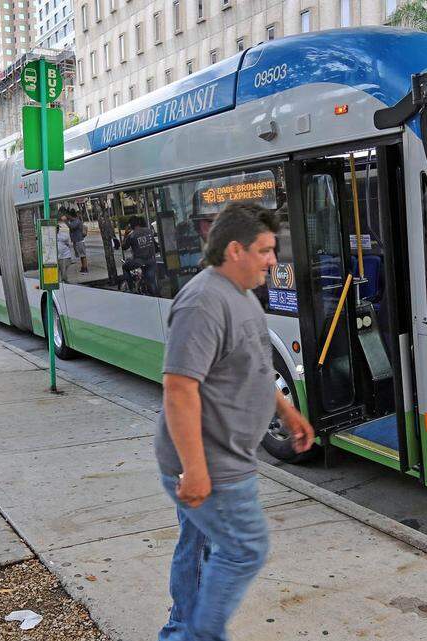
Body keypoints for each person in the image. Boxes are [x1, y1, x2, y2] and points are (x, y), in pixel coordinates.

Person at [155, 203, 314, 641]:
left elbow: (256, 366)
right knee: (245, 548)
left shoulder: (241, 295)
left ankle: (181, 629)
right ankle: (197, 635)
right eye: (265, 250)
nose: (273, 260)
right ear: (235, 250)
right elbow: (179, 388)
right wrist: (196, 469)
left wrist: (287, 412)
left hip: (224, 456)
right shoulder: (203, 302)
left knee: (200, 546)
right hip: (213, 461)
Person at [121, 215, 159, 293]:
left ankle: (132, 288)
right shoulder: (149, 231)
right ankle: (155, 294)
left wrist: (125, 234)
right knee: (151, 280)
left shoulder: (131, 235)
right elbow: (156, 246)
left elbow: (124, 247)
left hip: (139, 261)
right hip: (151, 260)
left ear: (131, 225)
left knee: (124, 267)